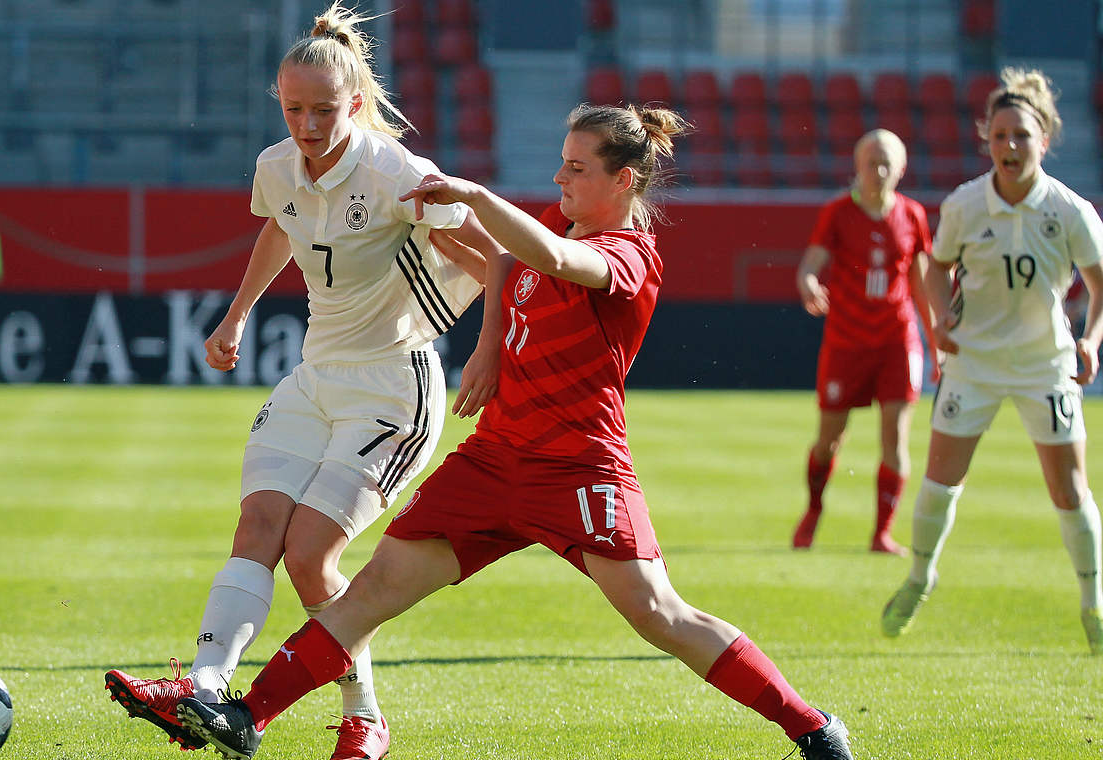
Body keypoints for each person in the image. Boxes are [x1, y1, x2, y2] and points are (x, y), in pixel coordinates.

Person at [173, 103, 854, 760]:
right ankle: (247, 715)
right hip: (495, 458)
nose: (560, 180)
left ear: (623, 181)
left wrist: (472, 193)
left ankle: (812, 727)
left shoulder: (629, 256)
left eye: (577, 168)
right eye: (561, 164)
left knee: (658, 614)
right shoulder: (561, 221)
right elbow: (507, 265)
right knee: (376, 588)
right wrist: (488, 336)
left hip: (577, 466)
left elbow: (554, 260)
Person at [102, 5, 500, 758]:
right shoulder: (276, 165)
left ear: (354, 101)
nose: (307, 125)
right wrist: (237, 315)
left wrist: (489, 354)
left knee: (310, 556)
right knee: (257, 530)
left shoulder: (397, 174)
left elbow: (499, 261)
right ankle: (207, 690)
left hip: (394, 386)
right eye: (293, 110)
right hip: (316, 380)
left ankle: (365, 718)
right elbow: (282, 223)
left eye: (322, 109)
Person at [880, 68, 1103, 655]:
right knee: (939, 480)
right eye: (1000, 135)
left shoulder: (1071, 210)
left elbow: (1099, 282)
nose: (1010, 146)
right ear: (988, 140)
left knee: (1070, 489)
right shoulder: (965, 205)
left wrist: (1090, 339)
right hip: (974, 362)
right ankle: (920, 575)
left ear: (1043, 141)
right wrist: (939, 322)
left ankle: (1093, 601)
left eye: (1022, 136)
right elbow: (934, 268)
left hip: (1044, 364)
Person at [792, 129, 935, 555]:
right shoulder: (837, 212)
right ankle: (814, 509)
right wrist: (808, 283)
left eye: (887, 162)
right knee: (829, 439)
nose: (879, 171)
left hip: (897, 337)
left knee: (895, 437)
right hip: (847, 340)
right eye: (872, 162)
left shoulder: (913, 215)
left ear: (902, 168)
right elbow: (810, 266)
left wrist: (935, 342)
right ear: (857, 166)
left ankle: (882, 533)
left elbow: (922, 284)